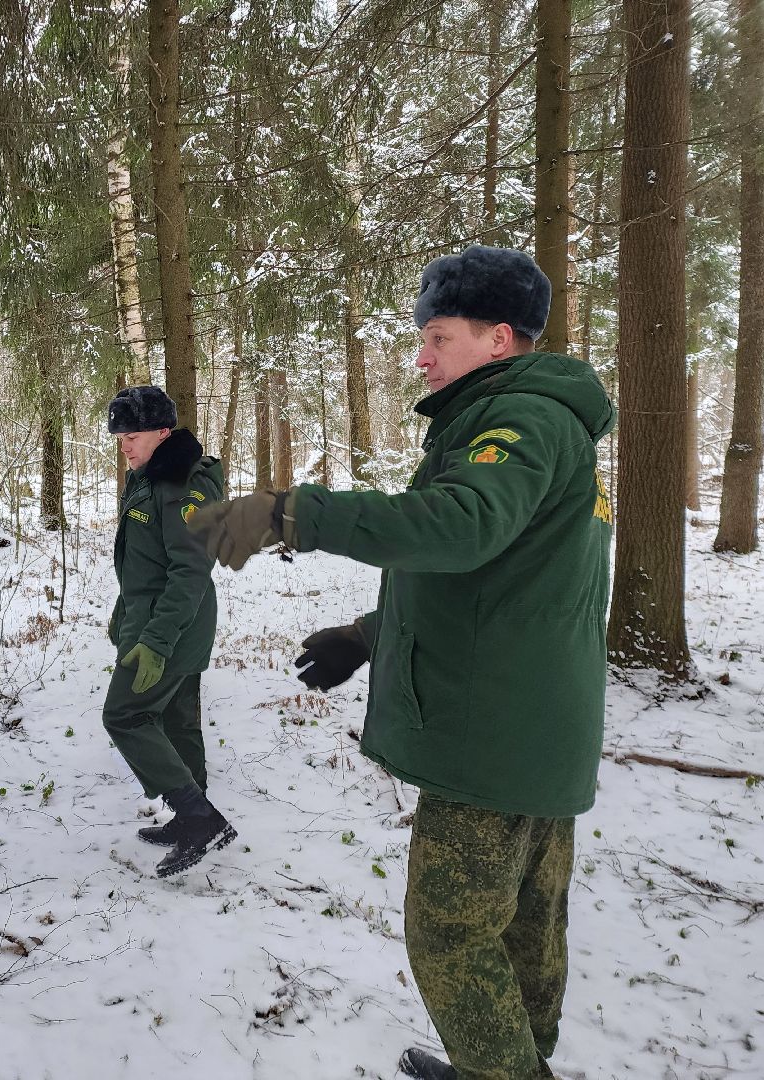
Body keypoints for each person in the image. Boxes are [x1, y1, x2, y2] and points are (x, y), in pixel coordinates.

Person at [188, 246, 615, 1080]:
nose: (420, 355)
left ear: (498, 339)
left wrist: (289, 514)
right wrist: (369, 634)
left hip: (489, 733)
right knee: (526, 923)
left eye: (437, 335)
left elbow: (458, 528)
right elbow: (504, 584)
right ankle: (517, 1062)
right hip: (535, 722)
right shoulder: (534, 419)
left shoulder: (519, 422)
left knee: (451, 934)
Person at [103, 385, 232, 878]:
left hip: (172, 626)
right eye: (119, 437)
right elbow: (145, 562)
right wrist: (124, 611)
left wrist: (155, 640)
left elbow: (190, 571)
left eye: (133, 435)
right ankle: (190, 815)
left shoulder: (181, 485)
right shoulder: (147, 477)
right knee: (177, 719)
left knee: (125, 714)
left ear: (162, 432)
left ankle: (199, 817)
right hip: (155, 618)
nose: (125, 446)